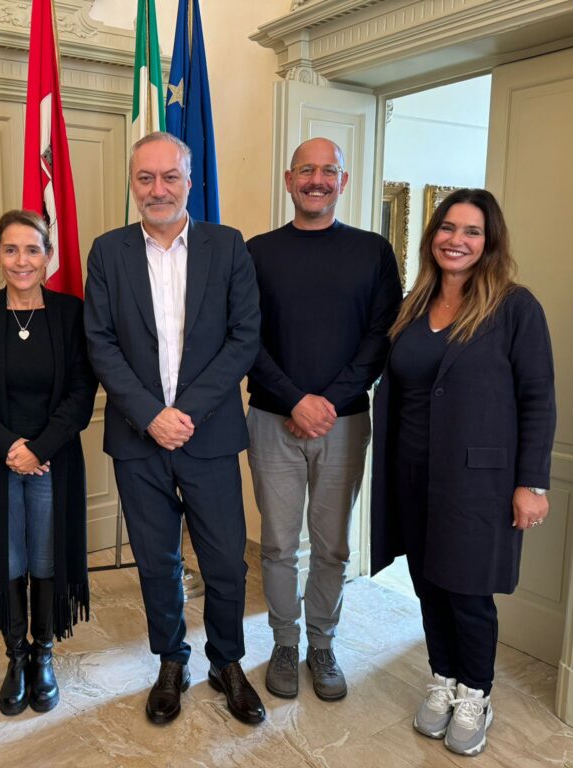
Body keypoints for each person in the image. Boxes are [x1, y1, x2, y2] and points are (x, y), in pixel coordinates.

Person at [84, 131, 265, 725]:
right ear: (133, 184)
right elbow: (100, 343)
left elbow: (244, 337)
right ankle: (171, 661)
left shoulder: (227, 245)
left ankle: (227, 662)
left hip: (208, 435)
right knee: (156, 561)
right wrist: (150, 415)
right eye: (146, 178)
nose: (157, 189)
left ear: (190, 181)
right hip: (138, 439)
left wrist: (184, 412)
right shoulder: (107, 252)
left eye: (169, 177)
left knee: (226, 561)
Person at [370, 188, 556, 757]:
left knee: (467, 592)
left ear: (489, 241)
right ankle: (443, 678)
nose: (457, 240)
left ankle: (476, 693)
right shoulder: (414, 304)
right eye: (448, 228)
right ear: (432, 237)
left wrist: (532, 483)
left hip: (478, 481)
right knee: (428, 584)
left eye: (472, 231)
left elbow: (538, 399)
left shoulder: (515, 308)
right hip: (411, 472)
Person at [246, 137, 402, 701]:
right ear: (289, 180)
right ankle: (285, 644)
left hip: (345, 422)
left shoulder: (373, 252)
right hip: (272, 420)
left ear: (343, 180)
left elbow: (381, 336)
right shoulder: (257, 252)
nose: (317, 180)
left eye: (329, 170)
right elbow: (245, 338)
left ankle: (321, 643)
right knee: (278, 545)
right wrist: (295, 401)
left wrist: (326, 403)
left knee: (333, 546)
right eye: (306, 170)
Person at [0, 209, 97, 717]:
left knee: (47, 557)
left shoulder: (70, 313)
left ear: (48, 256)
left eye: (33, 249)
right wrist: (10, 447)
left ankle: (43, 653)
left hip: (53, 460)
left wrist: (40, 448)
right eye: (11, 249)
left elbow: (82, 390)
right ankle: (16, 655)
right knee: (8, 557)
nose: (22, 260)